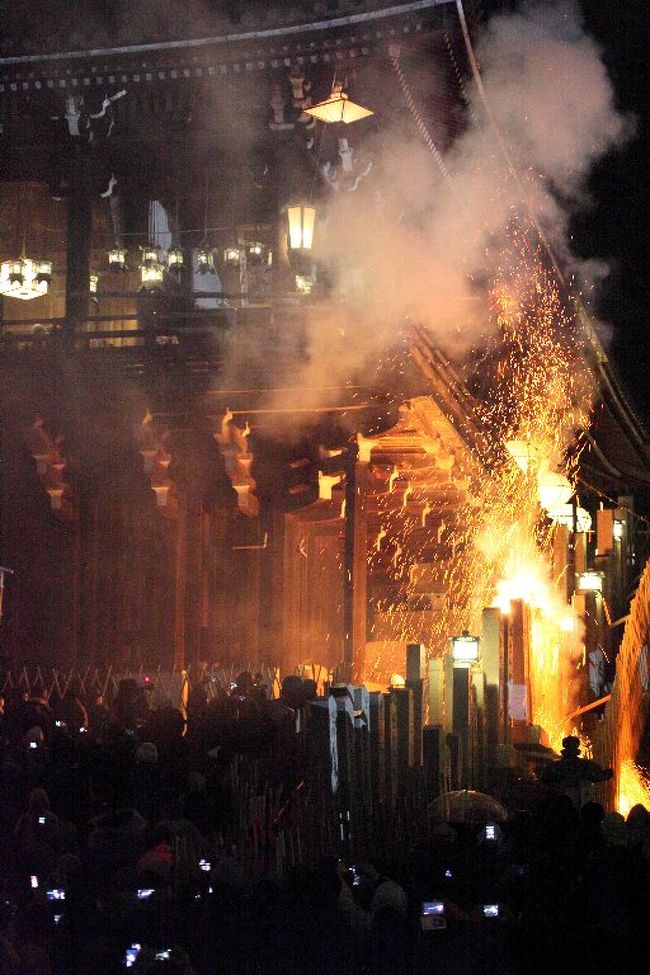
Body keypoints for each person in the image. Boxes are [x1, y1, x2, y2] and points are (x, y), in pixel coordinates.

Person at [541, 735, 613, 809]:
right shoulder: (586, 765)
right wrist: (607, 774)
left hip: (560, 808)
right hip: (580, 806)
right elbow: (598, 776)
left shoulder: (554, 767)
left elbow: (544, 781)